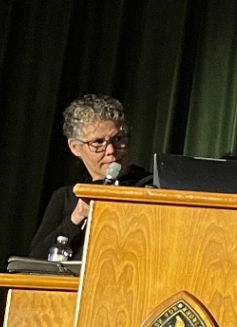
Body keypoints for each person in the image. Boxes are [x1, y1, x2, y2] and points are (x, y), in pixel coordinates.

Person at [27, 95, 151, 260]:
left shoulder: (150, 187)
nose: (110, 151)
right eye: (98, 143)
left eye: (117, 140)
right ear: (75, 147)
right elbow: (35, 259)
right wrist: (76, 217)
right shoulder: (67, 197)